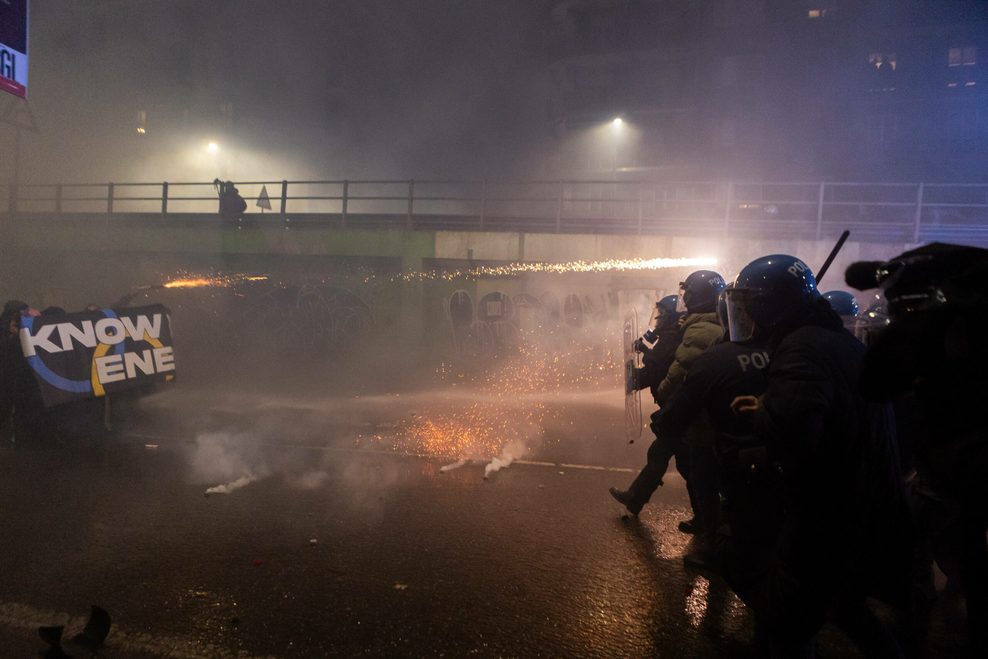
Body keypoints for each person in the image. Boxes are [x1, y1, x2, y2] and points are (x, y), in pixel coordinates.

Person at [724, 254, 911, 657]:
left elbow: (794, 431)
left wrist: (763, 417)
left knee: (787, 622)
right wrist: (769, 402)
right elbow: (831, 406)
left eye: (750, 303)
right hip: (863, 498)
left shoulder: (801, 348)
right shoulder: (838, 341)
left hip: (826, 512)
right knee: (844, 605)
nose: (745, 313)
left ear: (769, 305)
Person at [847, 242, 988, 656]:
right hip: (958, 472)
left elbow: (875, 384)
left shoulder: (930, 331)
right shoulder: (968, 325)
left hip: (953, 471)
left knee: (931, 546)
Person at [609, 270, 725, 526]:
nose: (658, 319)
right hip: (684, 411)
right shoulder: (688, 331)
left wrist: (636, 373)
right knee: (676, 460)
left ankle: (711, 521)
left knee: (684, 463)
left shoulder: (682, 335)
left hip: (683, 412)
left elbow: (664, 372)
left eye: (662, 315)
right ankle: (638, 500)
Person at [629, 294, 682, 402]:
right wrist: (645, 350)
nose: (657, 319)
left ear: (670, 318)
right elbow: (660, 360)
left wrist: (633, 378)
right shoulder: (673, 336)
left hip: (671, 401)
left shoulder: (670, 339)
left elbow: (654, 368)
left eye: (661, 315)